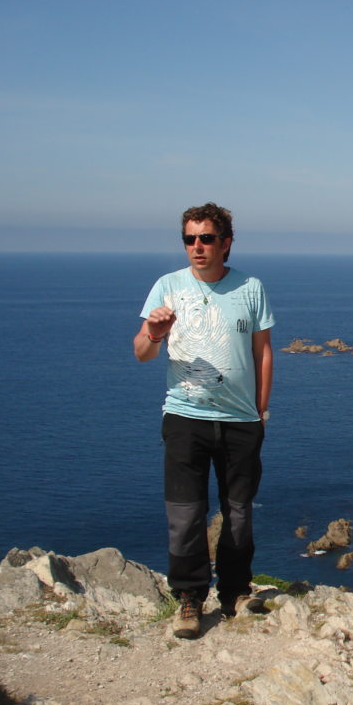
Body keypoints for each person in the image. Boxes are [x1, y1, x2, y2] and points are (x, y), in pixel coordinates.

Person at [134, 203, 274, 639]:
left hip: (240, 420)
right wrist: (155, 332)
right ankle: (190, 598)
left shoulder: (251, 288)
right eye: (190, 239)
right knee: (185, 514)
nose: (197, 246)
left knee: (237, 514)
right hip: (184, 417)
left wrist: (260, 410)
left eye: (206, 238)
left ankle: (234, 592)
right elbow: (141, 350)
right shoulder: (166, 287)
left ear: (226, 243)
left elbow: (263, 351)